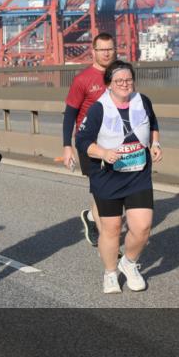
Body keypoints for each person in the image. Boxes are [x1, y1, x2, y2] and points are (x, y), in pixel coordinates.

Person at [75, 60, 163, 294]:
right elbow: (82, 141)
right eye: (119, 81)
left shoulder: (142, 101)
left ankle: (129, 263)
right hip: (107, 176)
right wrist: (103, 152)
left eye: (129, 80)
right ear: (109, 85)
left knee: (142, 226)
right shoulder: (98, 109)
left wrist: (155, 144)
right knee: (112, 228)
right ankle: (110, 273)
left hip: (138, 173)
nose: (125, 84)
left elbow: (153, 123)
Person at [62, 32, 117, 246]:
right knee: (102, 190)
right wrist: (67, 146)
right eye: (102, 49)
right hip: (90, 143)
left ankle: (92, 217)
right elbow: (69, 115)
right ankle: (110, 245)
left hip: (116, 142)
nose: (106, 53)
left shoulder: (120, 75)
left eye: (110, 48)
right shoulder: (82, 80)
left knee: (115, 191)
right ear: (93, 52)